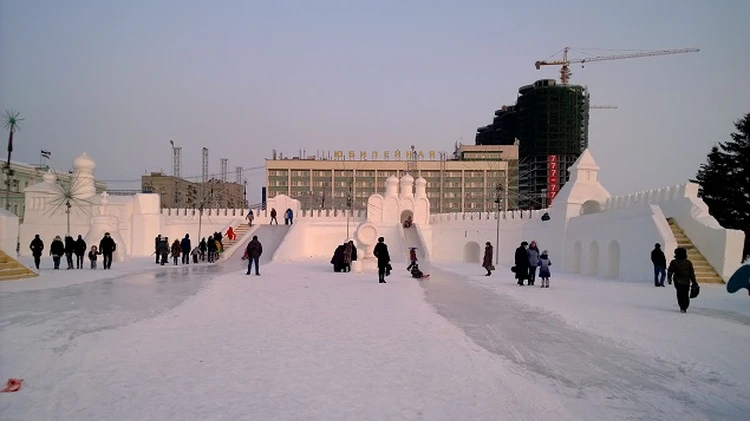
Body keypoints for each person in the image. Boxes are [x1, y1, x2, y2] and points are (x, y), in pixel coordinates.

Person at [667, 247, 699, 313]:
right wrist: (694, 282)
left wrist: (669, 278)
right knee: (685, 293)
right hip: (686, 281)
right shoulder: (688, 262)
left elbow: (670, 271)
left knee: (679, 293)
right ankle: (685, 306)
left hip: (677, 280)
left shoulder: (674, 262)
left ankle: (682, 306)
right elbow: (691, 273)